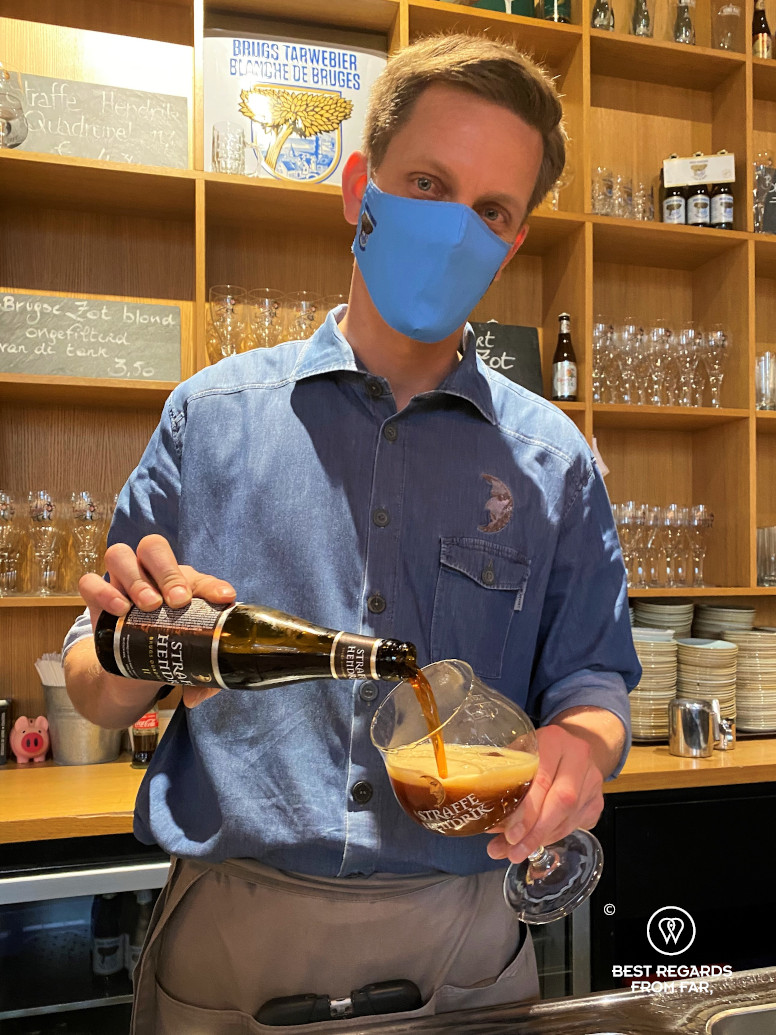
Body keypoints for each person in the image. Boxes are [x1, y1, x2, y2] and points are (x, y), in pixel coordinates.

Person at [63, 32, 640, 1034]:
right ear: (358, 188)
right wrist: (132, 651)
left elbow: (594, 683)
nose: (455, 228)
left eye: (491, 210)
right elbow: (93, 678)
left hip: (464, 939)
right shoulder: (209, 419)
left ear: (511, 242)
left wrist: (579, 752)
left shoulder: (555, 462)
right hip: (230, 937)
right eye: (427, 183)